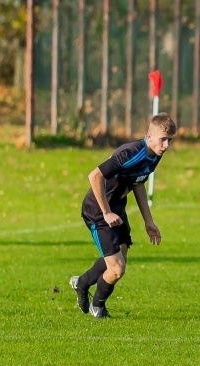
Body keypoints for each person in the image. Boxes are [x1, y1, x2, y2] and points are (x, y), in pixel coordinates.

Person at [70, 113, 177, 319]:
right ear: (149, 136)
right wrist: (106, 212)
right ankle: (97, 307)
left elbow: (138, 183)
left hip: (116, 207)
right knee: (117, 268)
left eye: (169, 140)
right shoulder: (130, 152)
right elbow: (95, 176)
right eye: (163, 139)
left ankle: (81, 282)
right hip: (98, 210)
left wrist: (149, 221)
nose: (166, 145)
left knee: (120, 257)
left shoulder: (155, 154)